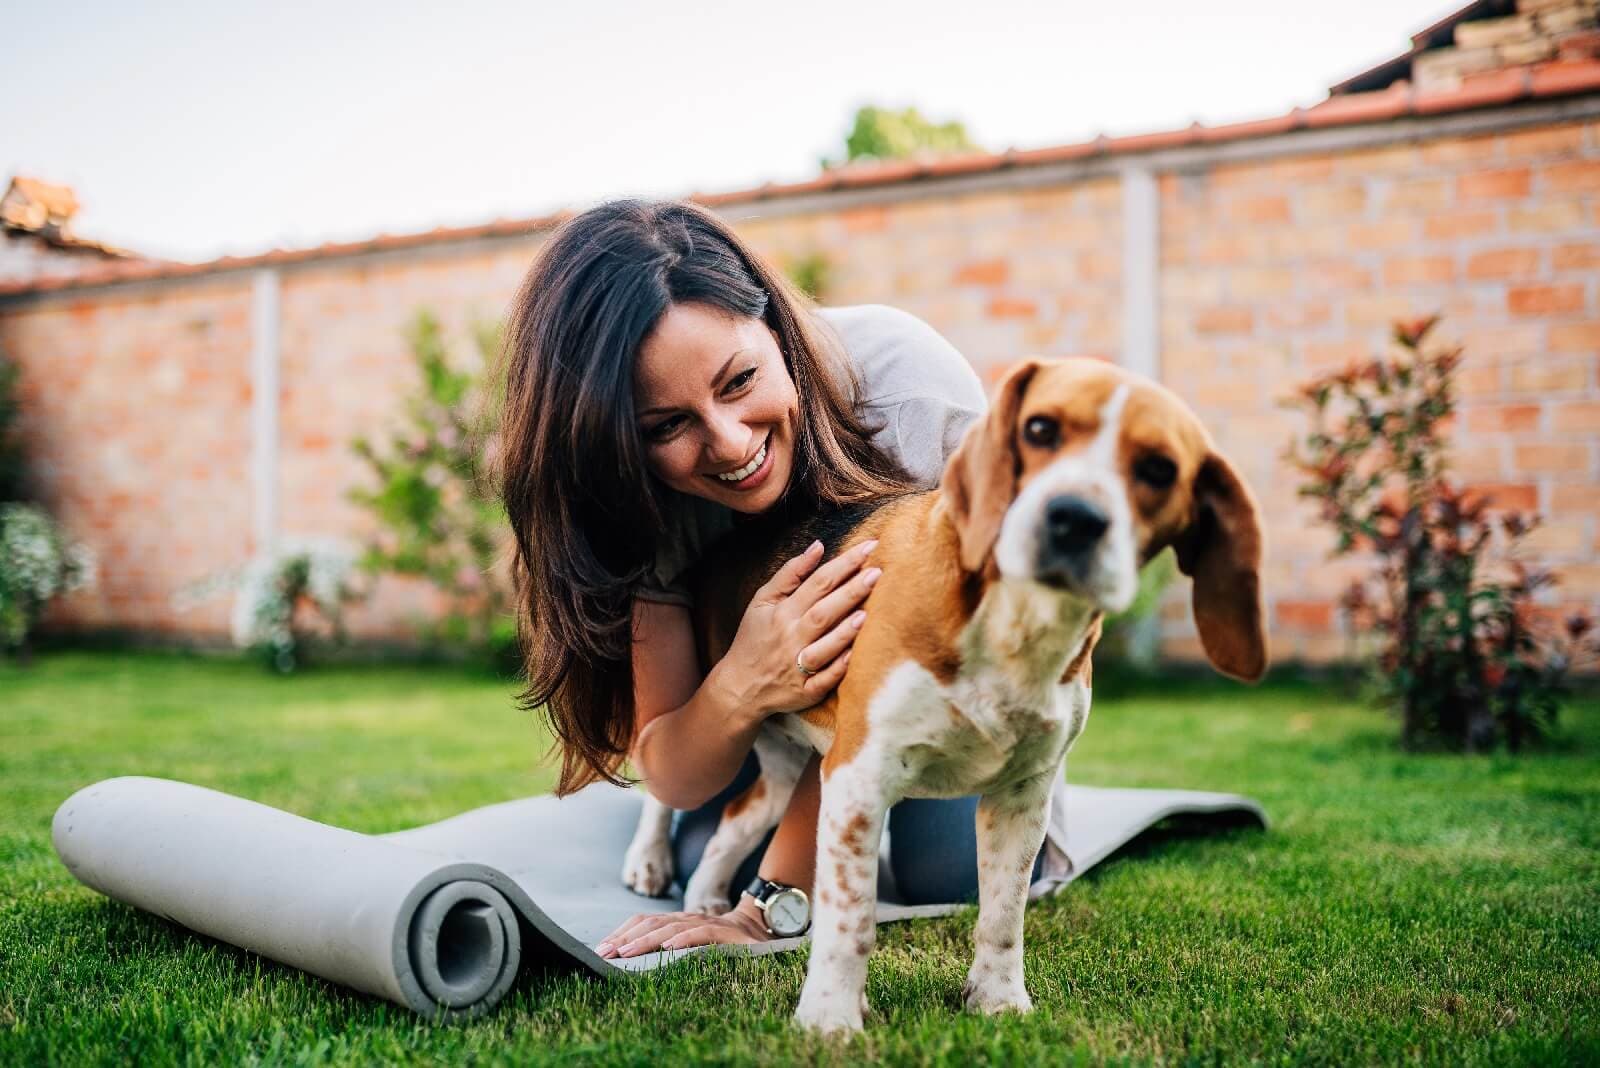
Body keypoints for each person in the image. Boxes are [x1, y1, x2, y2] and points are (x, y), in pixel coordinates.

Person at [492, 198, 1066, 960]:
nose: (730, 446)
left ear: (775, 329)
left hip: (948, 681)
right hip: (784, 718)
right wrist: (745, 681)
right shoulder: (640, 501)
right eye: (667, 426)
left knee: (947, 871)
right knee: (698, 864)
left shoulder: (910, 394)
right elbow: (670, 769)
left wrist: (770, 903)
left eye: (738, 382)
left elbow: (902, 697)